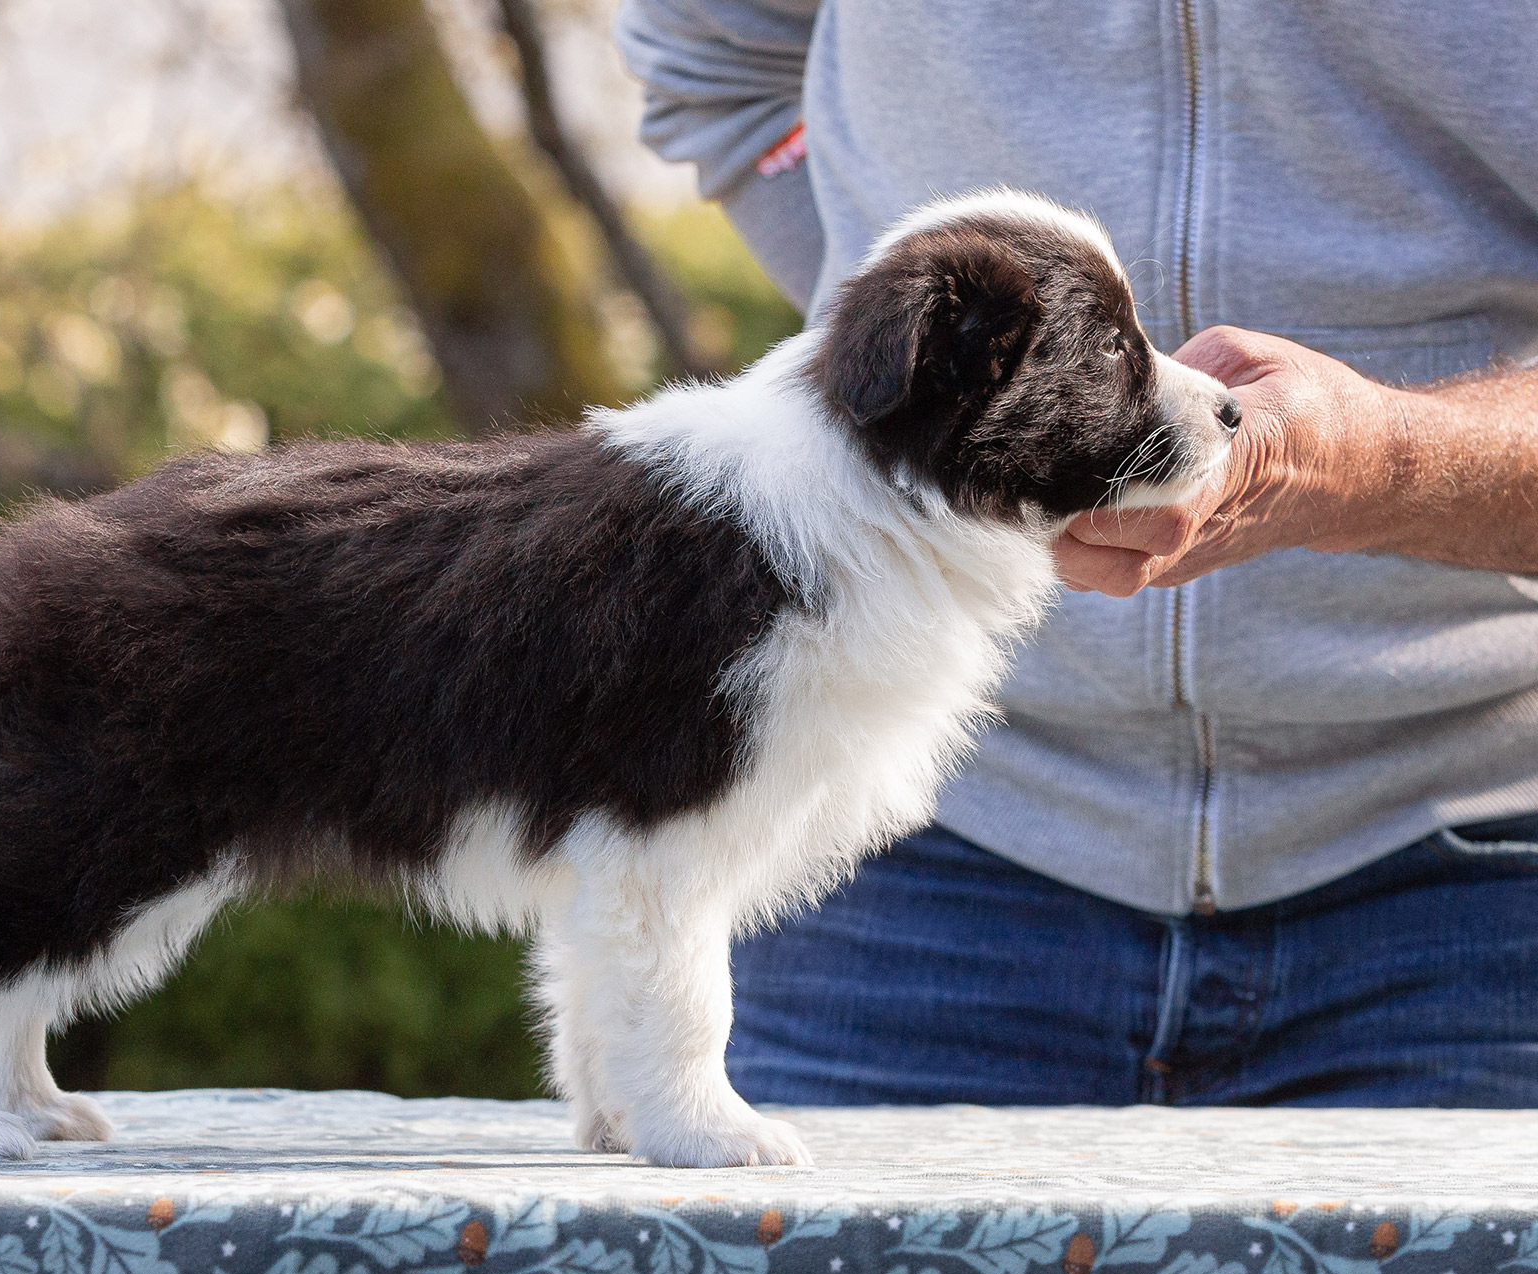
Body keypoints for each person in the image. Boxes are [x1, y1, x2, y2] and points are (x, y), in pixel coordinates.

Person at [615, 0, 1538, 1106]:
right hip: (887, 833)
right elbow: (711, 61)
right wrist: (911, 341)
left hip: (1470, 876)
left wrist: (1385, 462)